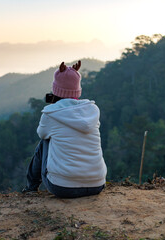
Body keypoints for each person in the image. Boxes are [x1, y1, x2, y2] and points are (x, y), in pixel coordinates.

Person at [22, 60, 107, 198]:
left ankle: (31, 188)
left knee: (45, 142)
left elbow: (41, 134)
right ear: (77, 90)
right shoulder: (92, 110)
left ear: (55, 90)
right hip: (97, 184)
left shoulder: (51, 113)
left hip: (63, 187)